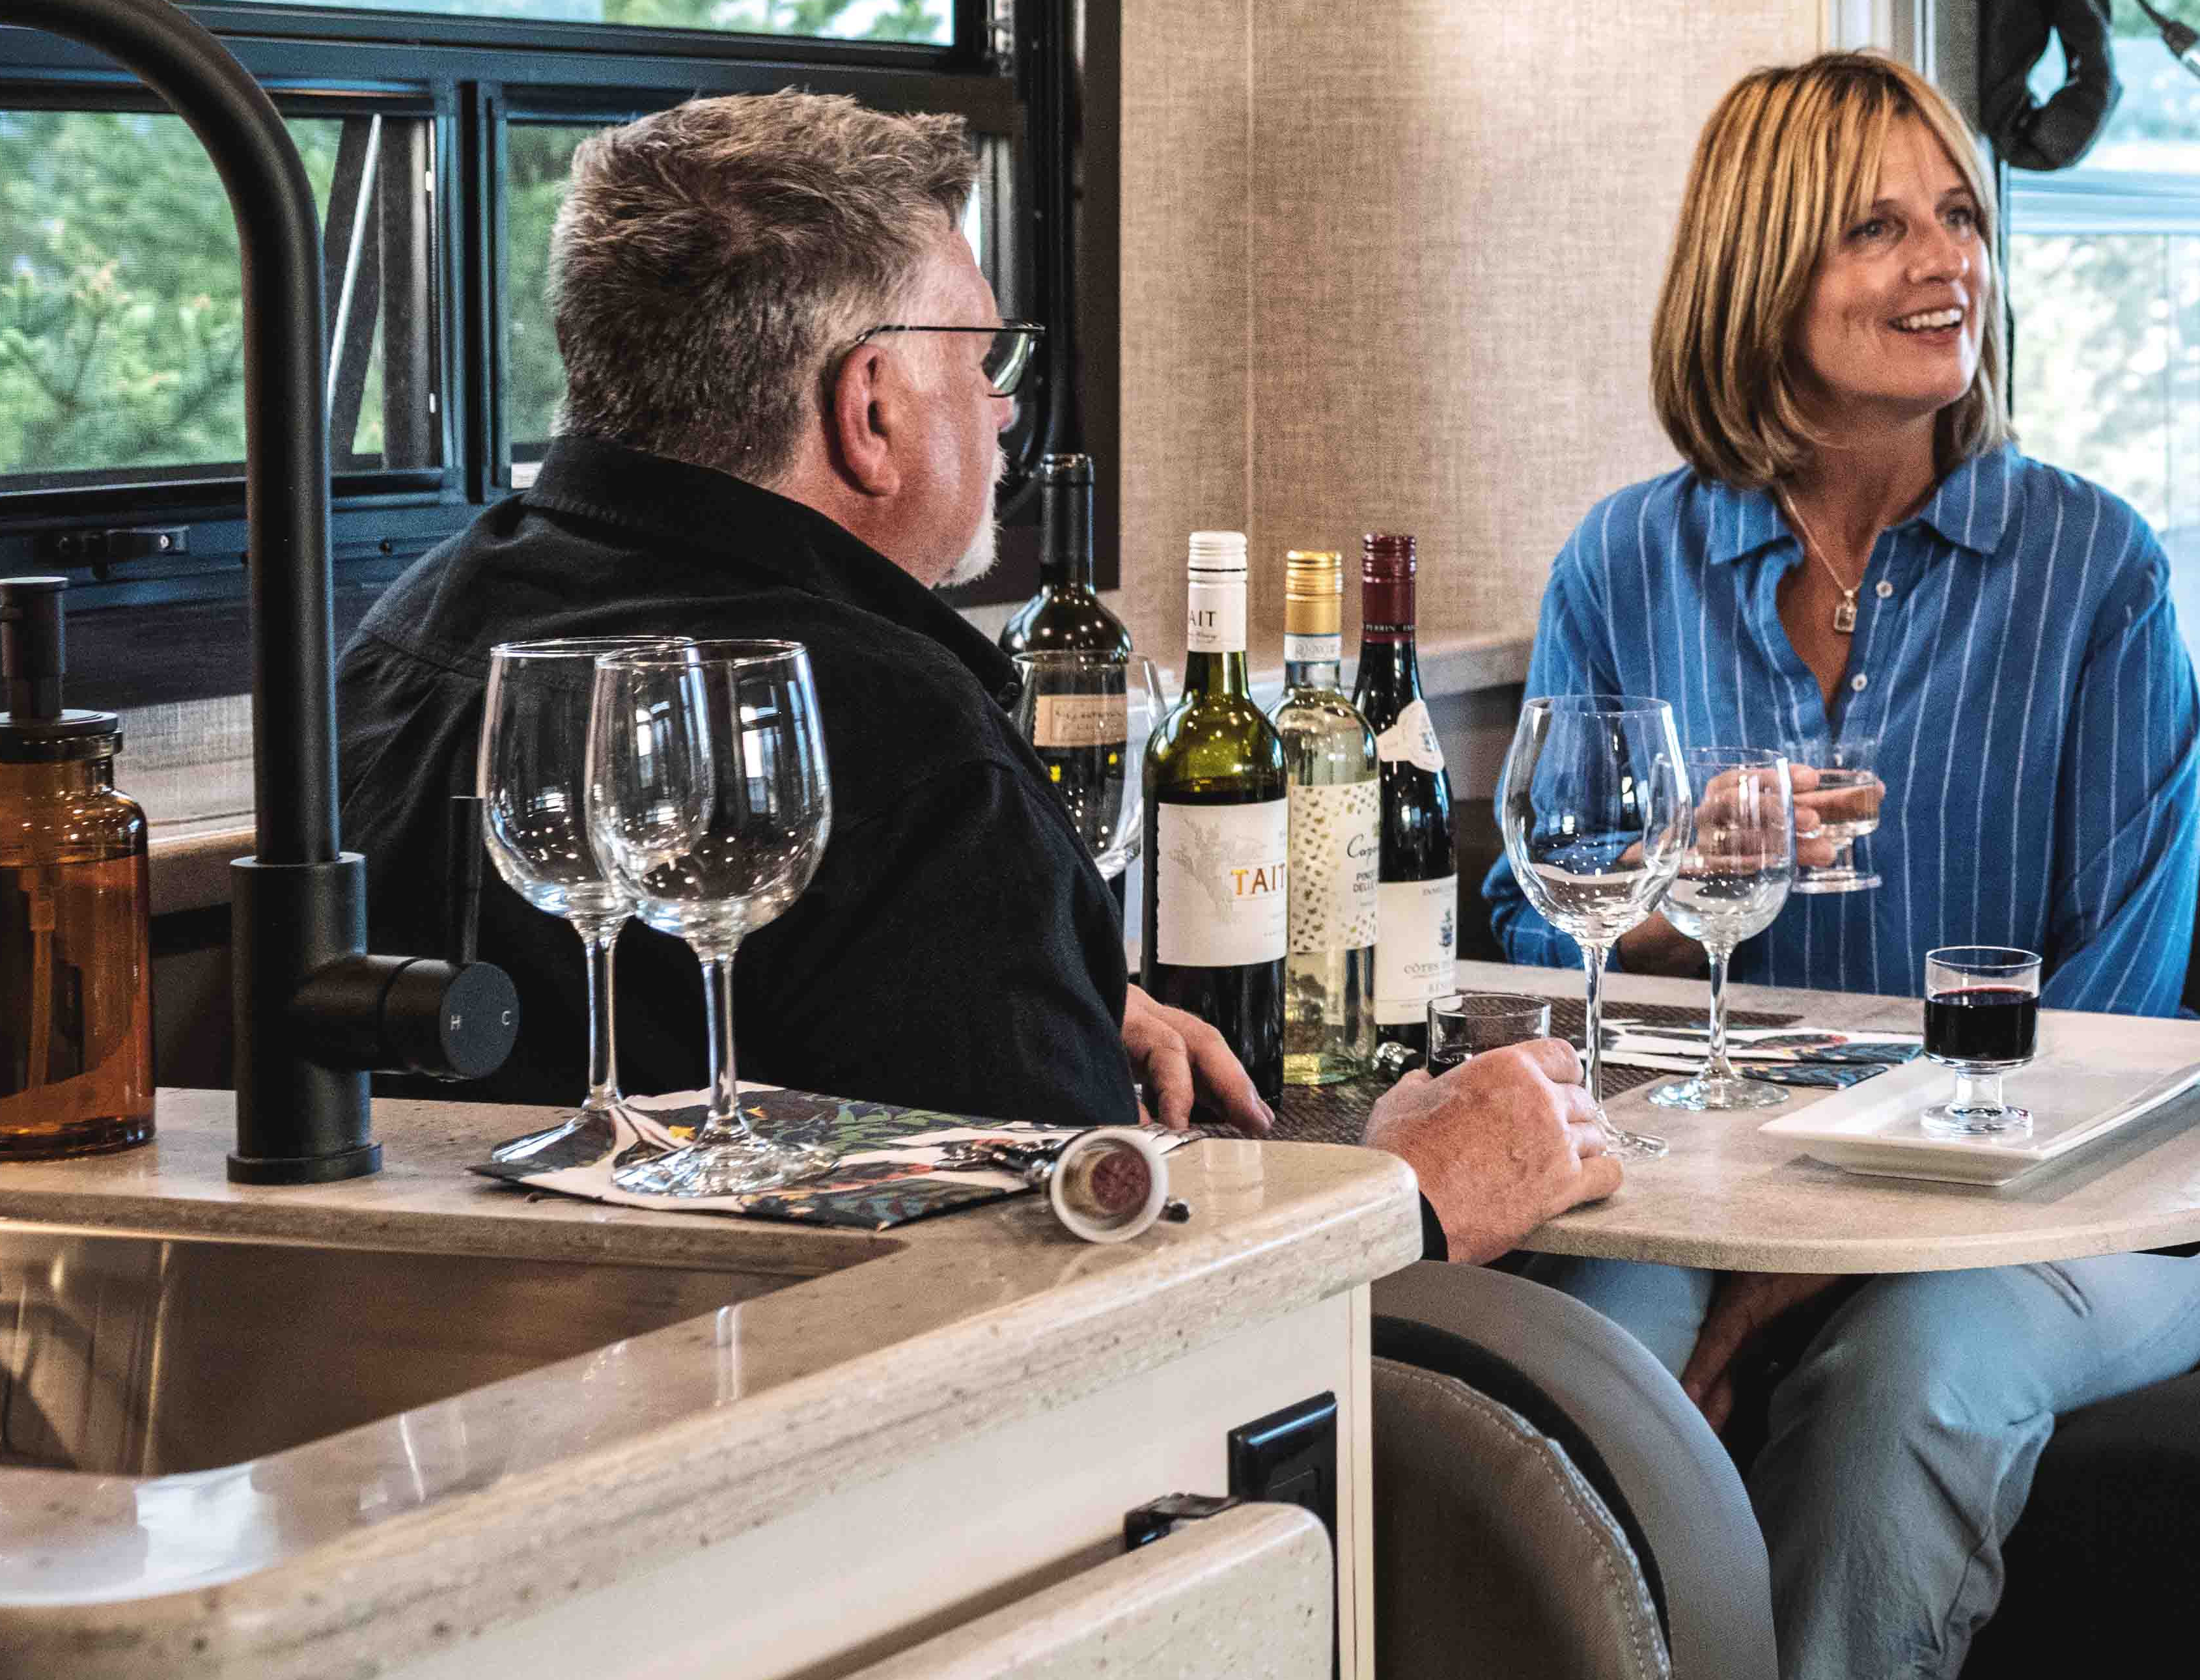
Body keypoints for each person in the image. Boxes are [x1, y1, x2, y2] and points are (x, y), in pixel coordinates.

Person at [342, 90, 1621, 1267]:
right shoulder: (907, 744)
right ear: (873, 408)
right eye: (987, 362)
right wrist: (1407, 1192)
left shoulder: (403, 635)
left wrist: (1054, 997)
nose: (1009, 412)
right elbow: (1082, 1300)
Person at [1481, 48, 2200, 1680]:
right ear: (1762, 271)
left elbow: (2115, 1015)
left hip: (2064, 1202)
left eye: (1958, 215)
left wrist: (1782, 1287)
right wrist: (1682, 885)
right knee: (1583, 1368)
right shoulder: (1626, 556)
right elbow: (1536, 920)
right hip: (1701, 1176)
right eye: (1879, 228)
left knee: (1902, 1379)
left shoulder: (2091, 565)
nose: (1946, 261)